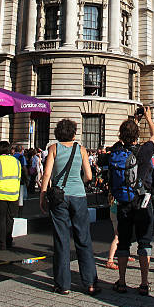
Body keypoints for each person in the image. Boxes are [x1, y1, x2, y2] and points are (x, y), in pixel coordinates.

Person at [40, 119, 99, 296]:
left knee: (61, 240)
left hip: (59, 198)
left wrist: (43, 195)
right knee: (84, 239)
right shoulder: (81, 149)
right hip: (79, 197)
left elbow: (47, 173)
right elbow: (89, 175)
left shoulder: (54, 149)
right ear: (73, 134)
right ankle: (90, 283)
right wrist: (78, 183)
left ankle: (63, 285)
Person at [109, 106, 154, 296]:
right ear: (137, 135)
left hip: (123, 203)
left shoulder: (116, 150)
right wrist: (147, 117)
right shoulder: (145, 150)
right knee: (144, 243)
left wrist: (133, 122)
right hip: (143, 202)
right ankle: (144, 283)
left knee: (123, 243)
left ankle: (121, 281)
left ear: (121, 135)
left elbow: (126, 136)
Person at [13, 144, 29, 215]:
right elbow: (24, 169)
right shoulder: (21, 157)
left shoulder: (12, 157)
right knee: (22, 196)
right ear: (21, 150)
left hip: (13, 178)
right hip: (21, 179)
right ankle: (19, 212)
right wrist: (27, 179)